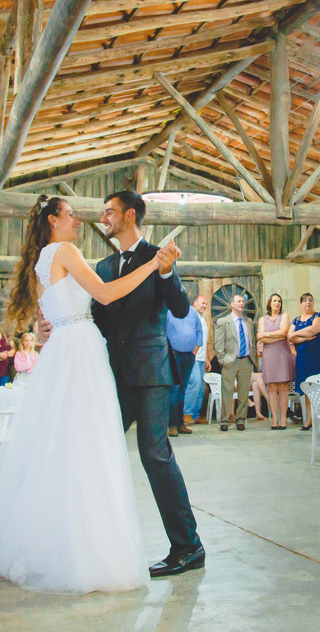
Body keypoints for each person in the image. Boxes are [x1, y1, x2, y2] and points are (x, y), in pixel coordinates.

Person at [0, 194, 178, 593]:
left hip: (71, 352)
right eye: (72, 215)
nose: (81, 220)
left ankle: (54, 544)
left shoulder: (42, 260)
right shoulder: (67, 250)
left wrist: (44, 332)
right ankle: (85, 550)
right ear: (54, 221)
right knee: (88, 449)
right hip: (82, 356)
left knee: (67, 446)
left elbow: (60, 309)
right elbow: (105, 297)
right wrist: (152, 265)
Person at [91, 190, 203, 578]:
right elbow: (97, 318)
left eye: (110, 212)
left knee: (154, 455)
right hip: (114, 374)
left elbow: (180, 308)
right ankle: (90, 542)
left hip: (152, 371)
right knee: (96, 450)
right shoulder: (103, 266)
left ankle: (188, 548)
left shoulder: (160, 255)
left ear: (130, 215)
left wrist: (169, 272)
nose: (104, 218)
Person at [289, 292, 320, 431]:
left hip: (318, 356)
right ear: (301, 304)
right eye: (305, 301)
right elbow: (290, 338)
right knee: (307, 389)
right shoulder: (296, 320)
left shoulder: (319, 316)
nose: (308, 303)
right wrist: (303, 337)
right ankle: (309, 419)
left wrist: (296, 333)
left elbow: (314, 329)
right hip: (303, 357)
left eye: (310, 300)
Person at [214, 293, 256, 432]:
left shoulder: (248, 321)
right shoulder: (223, 322)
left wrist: (253, 359)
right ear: (231, 304)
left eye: (243, 301)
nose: (242, 303)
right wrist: (222, 360)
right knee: (227, 391)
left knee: (244, 393)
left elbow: (251, 341)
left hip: (246, 361)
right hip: (230, 361)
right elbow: (218, 343)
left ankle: (240, 420)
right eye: (238, 301)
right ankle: (225, 420)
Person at [166, 293, 205, 436]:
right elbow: (163, 333)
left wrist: (194, 351)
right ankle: (171, 425)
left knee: (183, 390)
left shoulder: (193, 313)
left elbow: (199, 332)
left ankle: (180, 424)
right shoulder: (168, 312)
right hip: (174, 356)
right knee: (174, 390)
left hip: (189, 356)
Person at [258, 293, 293, 430]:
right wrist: (276, 337)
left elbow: (284, 332)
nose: (277, 303)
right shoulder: (262, 319)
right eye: (274, 301)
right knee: (272, 386)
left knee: (283, 387)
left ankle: (283, 419)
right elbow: (260, 338)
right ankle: (274, 419)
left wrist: (267, 335)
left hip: (282, 353)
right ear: (269, 303)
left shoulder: (284, 316)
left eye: (279, 301)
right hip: (269, 354)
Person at [183, 295, 210, 425]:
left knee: (201, 387)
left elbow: (204, 341)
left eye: (206, 304)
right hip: (192, 356)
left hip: (201, 358)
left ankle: (195, 415)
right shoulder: (190, 315)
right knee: (193, 383)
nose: (204, 306)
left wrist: (207, 359)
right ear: (194, 303)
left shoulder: (203, 318)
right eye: (202, 303)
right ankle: (186, 413)